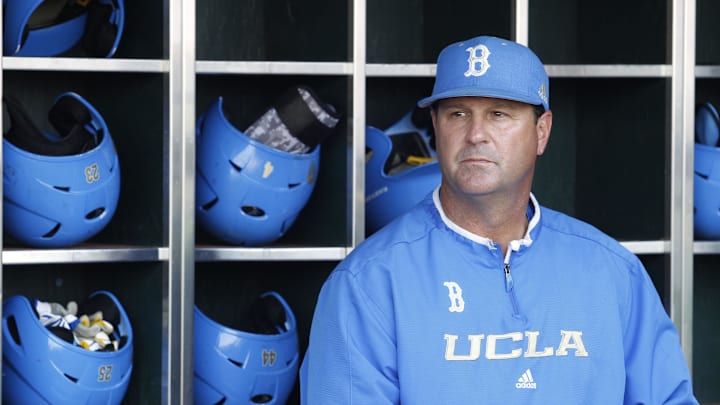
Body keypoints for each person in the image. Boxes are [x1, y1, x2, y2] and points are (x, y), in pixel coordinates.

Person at [300, 35, 698, 404]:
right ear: (436, 128)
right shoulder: (367, 283)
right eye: (458, 114)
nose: (475, 134)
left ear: (541, 132)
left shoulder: (611, 271)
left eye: (498, 114)